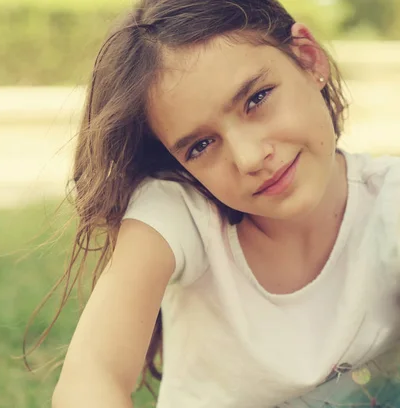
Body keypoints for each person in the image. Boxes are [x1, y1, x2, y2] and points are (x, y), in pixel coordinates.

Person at [29, 0, 400, 406]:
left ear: (308, 59)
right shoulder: (177, 212)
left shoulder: (388, 202)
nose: (249, 158)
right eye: (201, 145)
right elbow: (93, 375)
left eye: (256, 99)